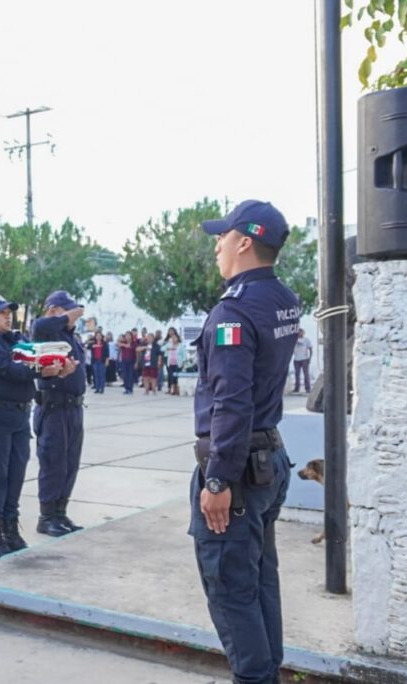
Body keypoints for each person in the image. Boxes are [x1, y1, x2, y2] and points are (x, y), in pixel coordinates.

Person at [189, 199, 300, 684]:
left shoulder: (234, 312)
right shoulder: (283, 298)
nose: (217, 245)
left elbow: (231, 403)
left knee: (231, 588)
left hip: (237, 465)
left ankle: (256, 679)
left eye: (222, 236)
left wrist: (217, 478)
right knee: (260, 580)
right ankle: (267, 673)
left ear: (245, 242)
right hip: (268, 458)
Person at [0, 294, 64, 558]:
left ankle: (9, 530)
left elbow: (35, 356)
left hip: (18, 418)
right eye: (0, 312)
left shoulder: (15, 339)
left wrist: (57, 367)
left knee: (15, 477)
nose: (8, 315)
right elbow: (10, 369)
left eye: (9, 311)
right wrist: (41, 370)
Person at [31, 290, 85, 536]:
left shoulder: (70, 337)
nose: (73, 316)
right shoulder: (46, 331)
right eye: (67, 310)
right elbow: (38, 325)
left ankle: (60, 513)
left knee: (70, 464)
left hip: (74, 408)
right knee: (53, 463)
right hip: (53, 407)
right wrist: (63, 318)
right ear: (54, 311)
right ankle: (47, 516)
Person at [292, 328, 313, 394]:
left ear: (303, 333)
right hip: (296, 359)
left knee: (306, 374)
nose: (300, 333)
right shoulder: (294, 340)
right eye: (299, 332)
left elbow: (310, 349)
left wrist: (310, 358)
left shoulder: (306, 340)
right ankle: (296, 388)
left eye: (301, 332)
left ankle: (308, 388)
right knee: (297, 374)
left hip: (304, 359)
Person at [165, 328, 183, 396]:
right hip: (169, 361)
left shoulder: (180, 345)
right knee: (170, 376)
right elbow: (163, 349)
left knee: (176, 376)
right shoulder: (168, 342)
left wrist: (183, 362)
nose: (171, 333)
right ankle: (170, 389)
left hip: (177, 362)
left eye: (172, 331)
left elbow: (183, 354)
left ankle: (177, 390)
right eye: (169, 331)